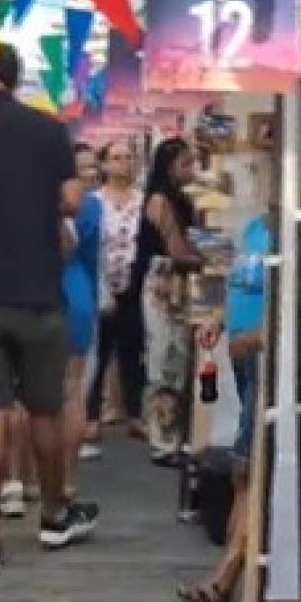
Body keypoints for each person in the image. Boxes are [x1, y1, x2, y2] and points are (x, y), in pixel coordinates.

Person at [0, 44, 98, 575]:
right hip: (37, 289)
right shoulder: (47, 129)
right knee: (45, 407)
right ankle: (54, 515)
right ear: (15, 76)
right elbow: (73, 199)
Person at [176, 205, 271, 602]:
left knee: (250, 469)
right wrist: (218, 317)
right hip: (242, 358)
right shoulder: (254, 228)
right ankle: (228, 577)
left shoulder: (286, 233)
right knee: (242, 469)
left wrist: (260, 335)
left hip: (263, 356)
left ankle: (224, 578)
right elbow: (241, 285)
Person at [137, 137, 202, 463]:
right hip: (165, 283)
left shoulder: (181, 199)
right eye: (185, 163)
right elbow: (176, 249)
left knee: (176, 357)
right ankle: (162, 437)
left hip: (175, 283)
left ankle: (171, 434)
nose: (192, 169)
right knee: (165, 356)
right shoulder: (161, 202)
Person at [83, 138, 146, 455]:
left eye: (128, 157)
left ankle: (134, 412)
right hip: (100, 281)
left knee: (133, 349)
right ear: (104, 164)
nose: (123, 163)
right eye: (116, 158)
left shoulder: (143, 201)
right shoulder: (93, 201)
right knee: (99, 350)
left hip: (136, 284)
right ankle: (91, 414)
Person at [59, 143, 101, 491]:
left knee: (25, 395)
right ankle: (64, 483)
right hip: (78, 294)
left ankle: (19, 481)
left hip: (39, 296)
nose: (89, 174)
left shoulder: (30, 203)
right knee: (72, 391)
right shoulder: (92, 206)